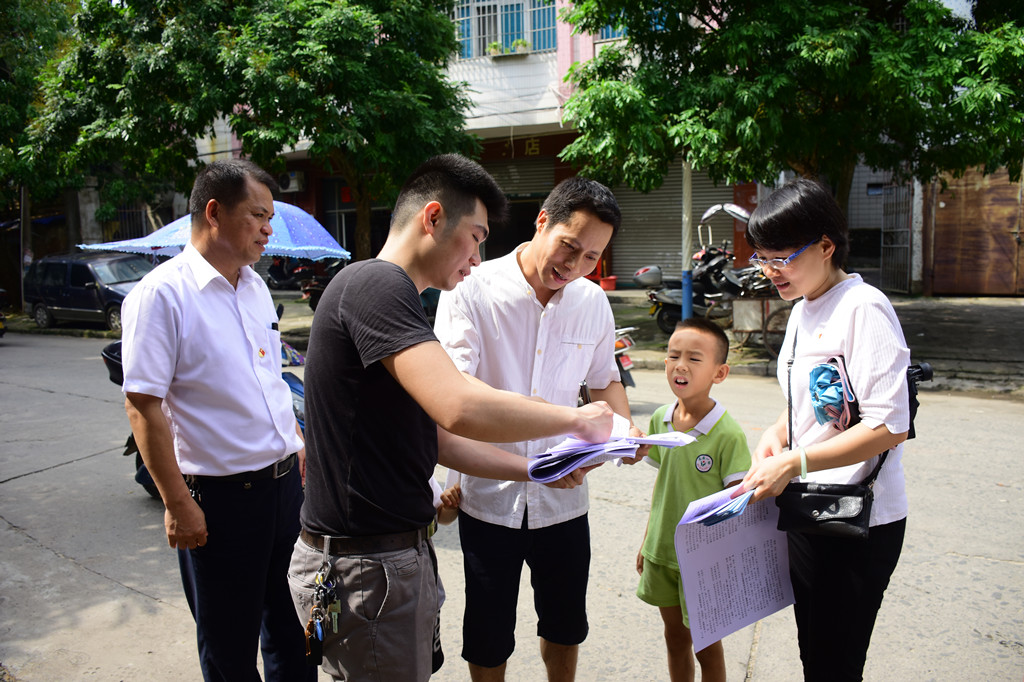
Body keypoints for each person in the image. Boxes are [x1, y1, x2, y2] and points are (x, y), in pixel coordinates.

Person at [290, 154, 615, 682]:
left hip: (388, 556)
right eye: (475, 236)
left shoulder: (394, 296)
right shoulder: (378, 287)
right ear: (433, 218)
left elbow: (438, 438)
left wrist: (536, 470)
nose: (477, 256)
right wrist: (574, 422)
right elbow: (459, 406)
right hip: (366, 562)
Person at [433, 176, 643, 682]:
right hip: (489, 496)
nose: (574, 266)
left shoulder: (591, 303)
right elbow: (453, 391)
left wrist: (625, 427)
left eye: (592, 257)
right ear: (542, 221)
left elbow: (604, 382)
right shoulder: (473, 287)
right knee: (487, 630)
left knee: (566, 624)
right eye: (569, 246)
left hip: (565, 502)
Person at [120, 159, 315, 681]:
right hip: (223, 500)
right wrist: (178, 504)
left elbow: (266, 378)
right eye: (258, 216)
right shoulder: (162, 295)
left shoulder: (253, 287)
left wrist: (294, 441)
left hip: (283, 491)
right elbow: (143, 405)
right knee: (230, 649)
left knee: (296, 636)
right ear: (214, 213)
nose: (269, 229)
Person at [736, 178, 911, 681]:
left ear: (826, 246)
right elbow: (810, 404)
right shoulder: (803, 307)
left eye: (781, 257)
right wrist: (779, 434)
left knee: (834, 662)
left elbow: (889, 424)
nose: (770, 271)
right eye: (761, 258)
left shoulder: (864, 308)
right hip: (810, 508)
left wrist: (795, 461)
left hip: (858, 521)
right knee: (815, 654)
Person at [636, 317, 750, 682]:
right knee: (674, 639)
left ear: (720, 372)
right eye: (673, 355)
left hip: (705, 558)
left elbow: (738, 505)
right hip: (663, 550)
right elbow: (662, 486)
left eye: (694, 358)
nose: (679, 365)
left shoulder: (727, 434)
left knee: (707, 645)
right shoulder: (659, 419)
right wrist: (646, 540)